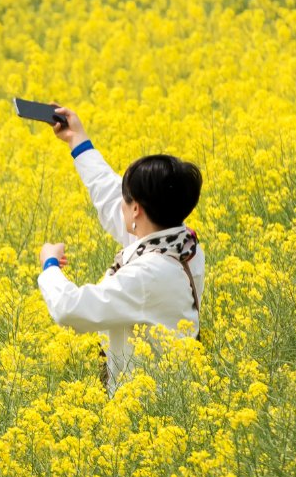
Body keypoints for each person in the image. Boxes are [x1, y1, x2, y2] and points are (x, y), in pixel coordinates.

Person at [36, 106, 205, 394]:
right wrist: (77, 139)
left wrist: (49, 264)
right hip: (172, 401)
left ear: (136, 209)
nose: (120, 205)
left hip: (149, 413)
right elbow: (109, 191)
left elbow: (69, 309)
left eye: (126, 202)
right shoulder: (182, 245)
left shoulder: (147, 274)